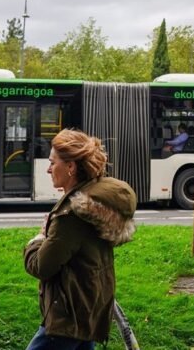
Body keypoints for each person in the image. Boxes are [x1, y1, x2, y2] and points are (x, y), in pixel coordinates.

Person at [24, 129, 137, 350]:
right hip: (88, 309)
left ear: (70, 167)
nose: (48, 169)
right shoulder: (94, 203)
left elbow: (42, 266)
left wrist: (38, 238)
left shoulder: (72, 215)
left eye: (52, 162)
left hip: (67, 317)